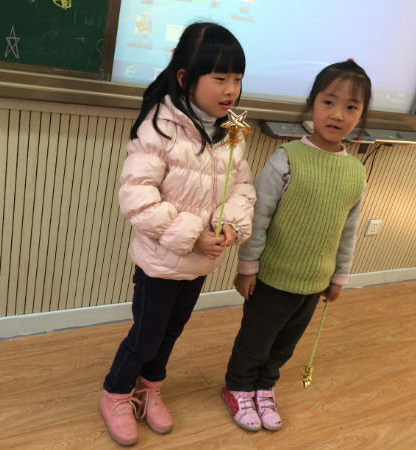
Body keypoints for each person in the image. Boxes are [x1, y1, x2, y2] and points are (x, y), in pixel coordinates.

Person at [100, 22, 256, 446]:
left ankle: (150, 388)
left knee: (171, 333)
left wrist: (230, 223)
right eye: (220, 78)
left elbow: (241, 187)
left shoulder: (232, 131)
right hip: (160, 262)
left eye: (237, 78)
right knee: (146, 336)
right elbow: (137, 198)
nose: (231, 90)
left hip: (199, 263)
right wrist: (193, 235)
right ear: (186, 78)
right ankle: (116, 392)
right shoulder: (160, 126)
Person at [221, 60, 371, 432]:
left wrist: (339, 276)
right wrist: (247, 268)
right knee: (257, 338)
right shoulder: (286, 158)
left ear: (361, 115)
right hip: (273, 278)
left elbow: (348, 230)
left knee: (286, 343)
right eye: (329, 102)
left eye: (351, 107)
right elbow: (258, 218)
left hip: (315, 281)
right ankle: (238, 386)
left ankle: (264, 386)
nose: (338, 114)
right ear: (311, 103)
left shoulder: (356, 172)